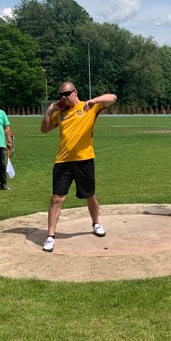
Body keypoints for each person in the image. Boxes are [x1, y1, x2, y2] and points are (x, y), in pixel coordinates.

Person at [40, 81, 117, 253]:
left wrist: (93, 101)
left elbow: (112, 98)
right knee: (57, 198)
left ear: (75, 92)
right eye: (61, 94)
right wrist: (50, 110)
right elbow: (44, 129)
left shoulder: (89, 108)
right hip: (63, 161)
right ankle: (50, 236)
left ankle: (96, 223)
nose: (64, 97)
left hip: (85, 159)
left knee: (89, 195)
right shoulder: (60, 113)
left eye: (67, 93)